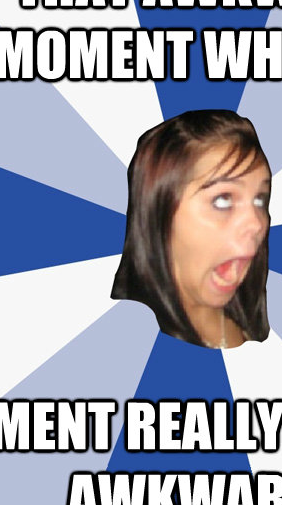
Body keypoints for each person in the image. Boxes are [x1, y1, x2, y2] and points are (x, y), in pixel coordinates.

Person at [111, 110, 271, 349]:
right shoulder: (125, 345)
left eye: (260, 199)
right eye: (222, 200)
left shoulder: (253, 327)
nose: (257, 224)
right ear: (158, 211)